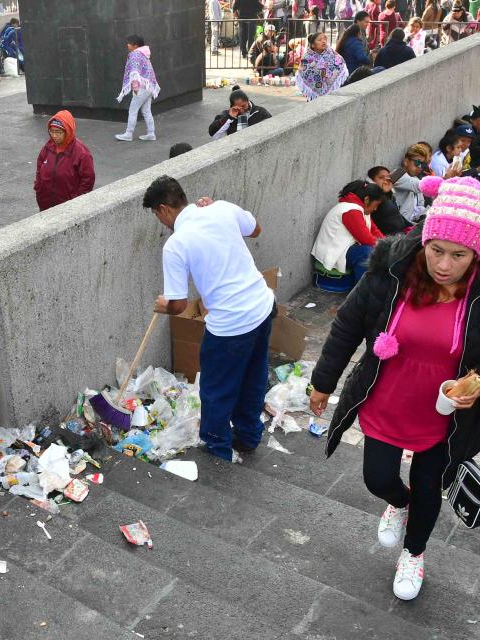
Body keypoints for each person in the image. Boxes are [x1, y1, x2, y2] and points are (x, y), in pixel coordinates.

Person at [310, 176, 480, 601]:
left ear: (478, 251)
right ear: (424, 240)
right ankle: (398, 500)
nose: (445, 265)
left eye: (459, 254)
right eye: (436, 250)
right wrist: (323, 383)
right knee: (378, 477)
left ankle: (415, 552)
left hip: (448, 416)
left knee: (430, 487)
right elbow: (347, 327)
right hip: (386, 399)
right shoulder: (390, 274)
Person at [143, 175, 274, 461]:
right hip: (262, 307)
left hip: (230, 324)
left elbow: (178, 306)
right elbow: (256, 229)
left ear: (164, 209)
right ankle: (249, 437)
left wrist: (163, 303)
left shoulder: (176, 245)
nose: (160, 221)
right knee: (254, 375)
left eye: (156, 214)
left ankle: (217, 449)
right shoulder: (222, 208)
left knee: (216, 389)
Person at [311, 180, 385, 283]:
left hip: (343, 249)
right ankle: (362, 290)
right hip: (332, 253)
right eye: (376, 205)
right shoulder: (351, 211)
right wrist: (386, 248)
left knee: (377, 251)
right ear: (367, 199)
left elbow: (374, 230)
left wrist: (388, 244)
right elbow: (366, 239)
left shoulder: (360, 209)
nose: (376, 209)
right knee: (367, 253)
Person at [33, 111, 96, 211]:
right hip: (45, 205)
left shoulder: (82, 153)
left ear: (68, 131)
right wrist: (39, 188)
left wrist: (76, 201)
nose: (54, 135)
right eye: (51, 131)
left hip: (68, 209)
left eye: (58, 132)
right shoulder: (47, 147)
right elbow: (39, 169)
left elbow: (87, 180)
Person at [114, 35, 160, 142]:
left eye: (129, 43)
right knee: (146, 111)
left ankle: (128, 134)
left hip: (142, 87)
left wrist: (135, 88)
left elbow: (135, 72)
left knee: (133, 110)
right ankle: (151, 133)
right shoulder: (143, 53)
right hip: (149, 86)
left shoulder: (135, 55)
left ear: (135, 45)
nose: (127, 45)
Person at [296, 32, 349, 101]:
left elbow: (340, 64)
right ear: (312, 45)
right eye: (319, 40)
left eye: (325, 39)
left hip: (331, 93)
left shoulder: (331, 53)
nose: (323, 41)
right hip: (313, 95)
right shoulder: (307, 57)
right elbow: (303, 72)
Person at [208, 86, 273, 139]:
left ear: (248, 101)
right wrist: (229, 117)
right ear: (232, 106)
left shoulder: (260, 111)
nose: (241, 109)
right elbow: (213, 134)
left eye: (243, 106)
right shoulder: (226, 114)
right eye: (238, 107)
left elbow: (272, 127)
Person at [392, 144, 432, 223]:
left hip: (411, 225)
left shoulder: (416, 178)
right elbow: (416, 185)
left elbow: (420, 206)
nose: (420, 167)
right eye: (417, 162)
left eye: (423, 164)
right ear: (406, 161)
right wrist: (444, 180)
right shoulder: (396, 174)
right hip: (401, 226)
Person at [367, 166, 412, 235]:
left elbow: (398, 215)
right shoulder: (372, 198)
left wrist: (411, 227)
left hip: (403, 233)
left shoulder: (389, 196)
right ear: (373, 181)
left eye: (388, 177)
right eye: (381, 177)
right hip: (392, 238)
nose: (386, 180)